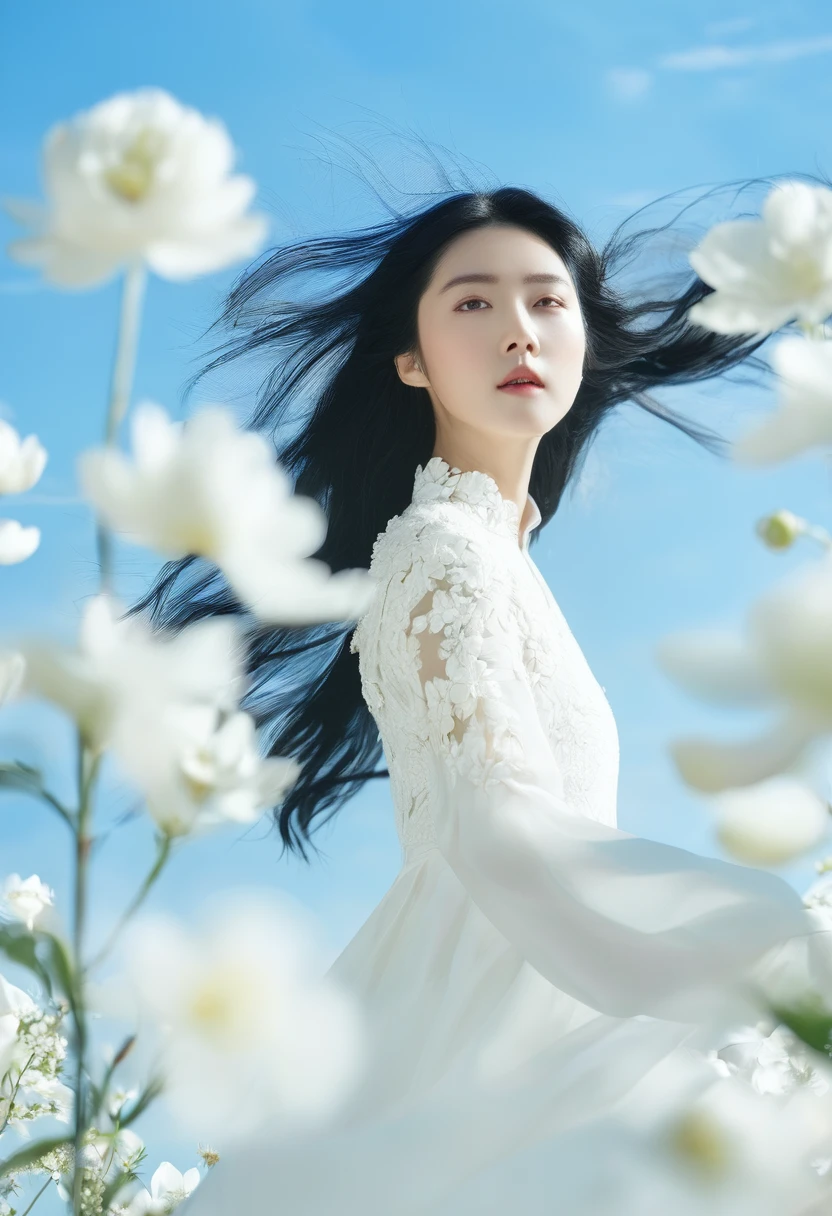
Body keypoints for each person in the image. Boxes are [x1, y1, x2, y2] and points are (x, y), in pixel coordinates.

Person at [135, 179, 822, 1213]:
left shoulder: (493, 555)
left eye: (547, 301)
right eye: (472, 302)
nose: (517, 331)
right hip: (495, 1008)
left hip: (535, 977)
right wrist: (745, 936)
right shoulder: (439, 549)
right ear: (408, 359)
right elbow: (499, 827)